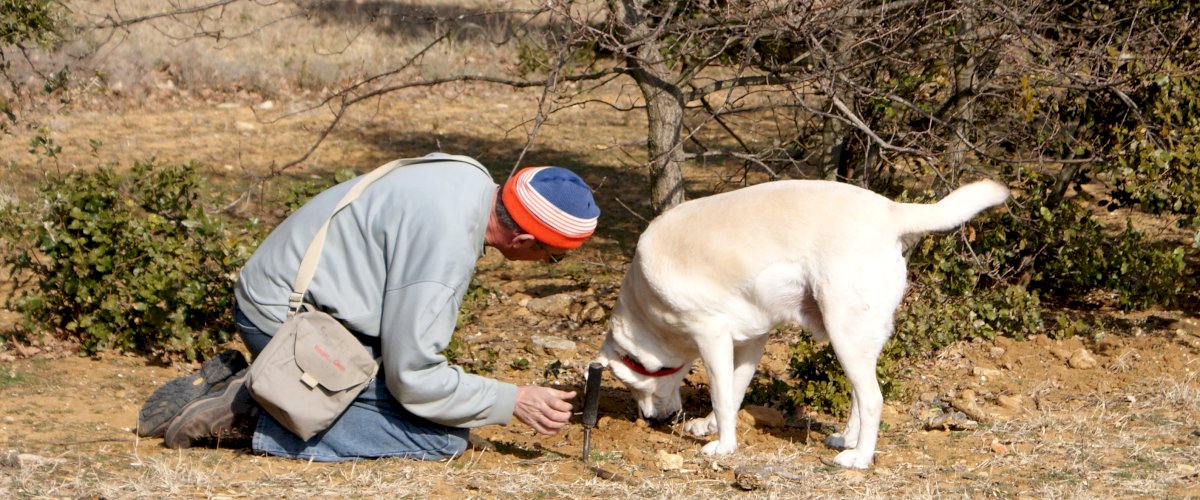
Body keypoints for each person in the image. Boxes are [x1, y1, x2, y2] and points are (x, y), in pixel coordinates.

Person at [136, 152, 600, 461]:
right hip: (283, 321)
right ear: (521, 238)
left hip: (291, 296)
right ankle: (245, 415)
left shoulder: (469, 177)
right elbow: (414, 380)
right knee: (438, 439)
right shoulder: (445, 251)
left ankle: (249, 386)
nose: (549, 264)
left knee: (433, 412)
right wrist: (512, 399)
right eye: (553, 255)